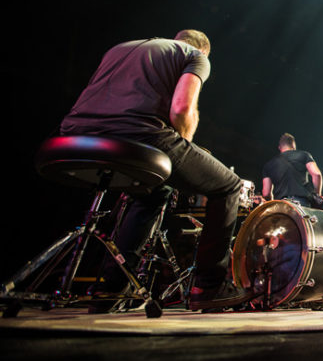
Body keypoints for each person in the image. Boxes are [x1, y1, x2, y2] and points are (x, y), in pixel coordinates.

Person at [59, 30, 249, 312]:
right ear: (204, 50)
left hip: (74, 135)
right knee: (229, 186)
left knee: (153, 192)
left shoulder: (120, 47)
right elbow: (182, 108)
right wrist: (185, 147)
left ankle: (113, 288)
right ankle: (209, 287)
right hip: (139, 135)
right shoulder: (195, 56)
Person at [261, 133, 323, 207]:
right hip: (301, 203)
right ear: (293, 145)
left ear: (279, 147)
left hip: (280, 205)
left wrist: (272, 204)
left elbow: (266, 193)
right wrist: (317, 195)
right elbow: (316, 174)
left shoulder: (268, 165)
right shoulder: (304, 155)